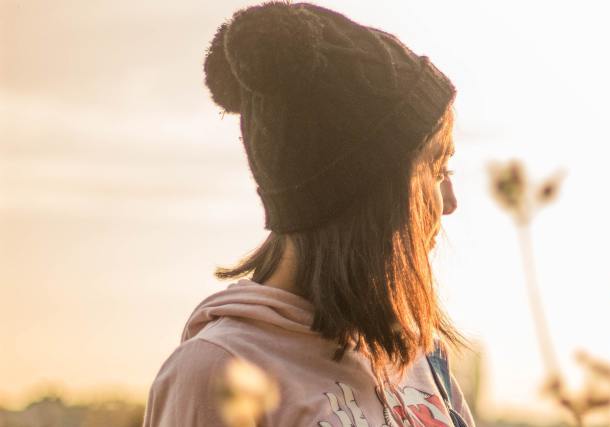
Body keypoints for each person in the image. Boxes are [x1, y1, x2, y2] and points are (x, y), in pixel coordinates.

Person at [143, 2, 473, 426]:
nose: (450, 201)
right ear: (369, 192)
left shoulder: (419, 355)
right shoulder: (219, 372)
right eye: (437, 169)